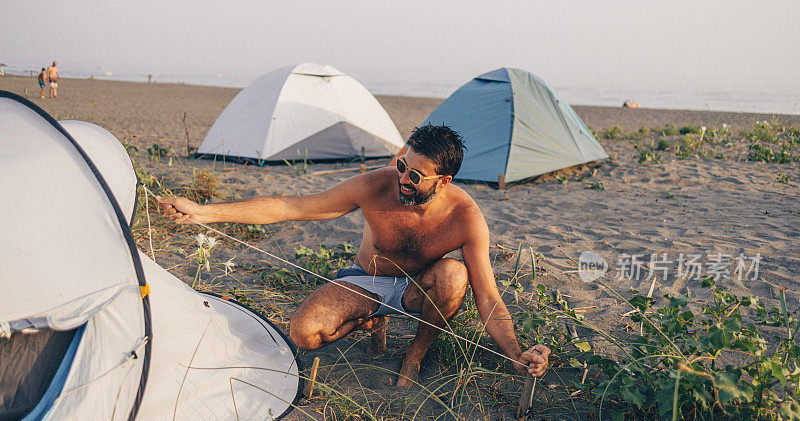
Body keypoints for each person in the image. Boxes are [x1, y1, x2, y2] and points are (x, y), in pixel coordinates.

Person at [157, 125, 550, 386]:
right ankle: (369, 318)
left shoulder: (465, 217)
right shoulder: (375, 185)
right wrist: (204, 212)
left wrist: (516, 354)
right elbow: (291, 207)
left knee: (455, 275)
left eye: (415, 175)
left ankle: (414, 355)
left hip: (419, 288)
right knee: (304, 334)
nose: (402, 178)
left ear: (443, 181)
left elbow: (489, 299)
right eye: (401, 165)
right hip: (366, 279)